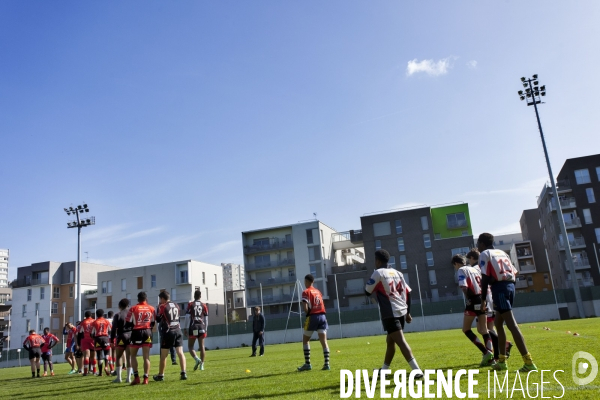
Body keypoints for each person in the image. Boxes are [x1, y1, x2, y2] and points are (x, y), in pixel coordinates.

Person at [478, 232, 537, 372]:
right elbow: (514, 272)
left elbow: (485, 278)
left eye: (478, 245)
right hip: (510, 286)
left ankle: (529, 363)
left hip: (500, 289)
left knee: (512, 325)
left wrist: (483, 300)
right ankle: (502, 361)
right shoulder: (503, 253)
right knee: (498, 323)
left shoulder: (485, 254)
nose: (478, 247)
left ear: (482, 244)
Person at [365, 249, 423, 378]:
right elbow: (408, 292)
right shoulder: (398, 273)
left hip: (390, 312)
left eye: (375, 260)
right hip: (401, 311)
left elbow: (367, 291)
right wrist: (408, 312)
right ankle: (384, 370)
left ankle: (417, 371)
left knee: (401, 341)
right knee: (390, 341)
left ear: (378, 261)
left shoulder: (378, 273)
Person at [466, 249, 512, 361]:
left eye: (469, 259)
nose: (468, 262)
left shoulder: (474, 269)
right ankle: (495, 351)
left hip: (484, 300)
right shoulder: (482, 267)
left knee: (483, 329)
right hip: (491, 299)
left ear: (472, 258)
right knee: (489, 328)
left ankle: (499, 347)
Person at [452, 254, 494, 367]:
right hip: (482, 298)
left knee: (466, 329)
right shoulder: (475, 269)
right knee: (485, 330)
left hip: (473, 299)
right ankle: (491, 358)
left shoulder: (461, 270)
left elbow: (464, 286)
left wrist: (468, 299)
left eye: (454, 266)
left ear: (456, 264)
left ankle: (486, 353)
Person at [297, 274, 330, 371]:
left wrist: (308, 315)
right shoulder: (318, 292)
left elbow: (305, 308)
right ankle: (326, 364)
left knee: (306, 340)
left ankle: (307, 364)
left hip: (313, 316)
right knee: (324, 341)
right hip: (323, 316)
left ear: (306, 281)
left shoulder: (305, 292)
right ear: (313, 282)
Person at [153, 291, 187, 381]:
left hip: (168, 331)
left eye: (160, 299)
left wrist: (157, 310)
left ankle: (161, 375)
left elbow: (158, 319)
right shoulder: (176, 305)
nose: (160, 301)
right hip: (178, 330)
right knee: (180, 352)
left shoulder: (163, 306)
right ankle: (183, 372)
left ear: (163, 298)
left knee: (163, 355)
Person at [126, 291, 156, 385]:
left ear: (138, 299)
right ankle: (146, 379)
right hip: (147, 332)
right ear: (146, 299)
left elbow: (128, 322)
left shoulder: (133, 308)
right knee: (146, 356)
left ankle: (136, 377)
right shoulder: (151, 308)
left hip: (136, 332)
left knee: (133, 355)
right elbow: (153, 322)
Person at [111, 298, 133, 384]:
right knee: (129, 357)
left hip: (121, 336)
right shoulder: (131, 314)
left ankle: (119, 378)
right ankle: (128, 378)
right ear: (128, 305)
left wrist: (112, 340)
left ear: (120, 306)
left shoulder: (117, 315)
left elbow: (113, 329)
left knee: (119, 356)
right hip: (130, 335)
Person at [186, 289, 208, 371]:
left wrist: (185, 327)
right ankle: (202, 365)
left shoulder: (190, 304)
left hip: (194, 327)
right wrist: (206, 328)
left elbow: (187, 317)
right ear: (200, 296)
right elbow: (206, 319)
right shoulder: (204, 305)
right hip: (202, 327)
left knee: (190, 346)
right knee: (202, 346)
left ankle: (197, 359)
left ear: (194, 296)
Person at [91, 309, 112, 376]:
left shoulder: (94, 322)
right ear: (103, 314)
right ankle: (106, 367)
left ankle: (100, 373)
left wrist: (94, 339)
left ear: (97, 314)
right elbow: (110, 330)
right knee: (107, 353)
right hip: (105, 337)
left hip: (97, 338)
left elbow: (91, 333)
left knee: (99, 355)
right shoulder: (106, 321)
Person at [78, 311, 97, 376]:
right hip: (93, 340)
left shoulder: (82, 322)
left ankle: (85, 372)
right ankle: (94, 371)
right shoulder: (94, 321)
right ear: (91, 315)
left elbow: (79, 333)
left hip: (85, 340)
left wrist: (78, 344)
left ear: (85, 316)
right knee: (93, 356)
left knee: (86, 356)